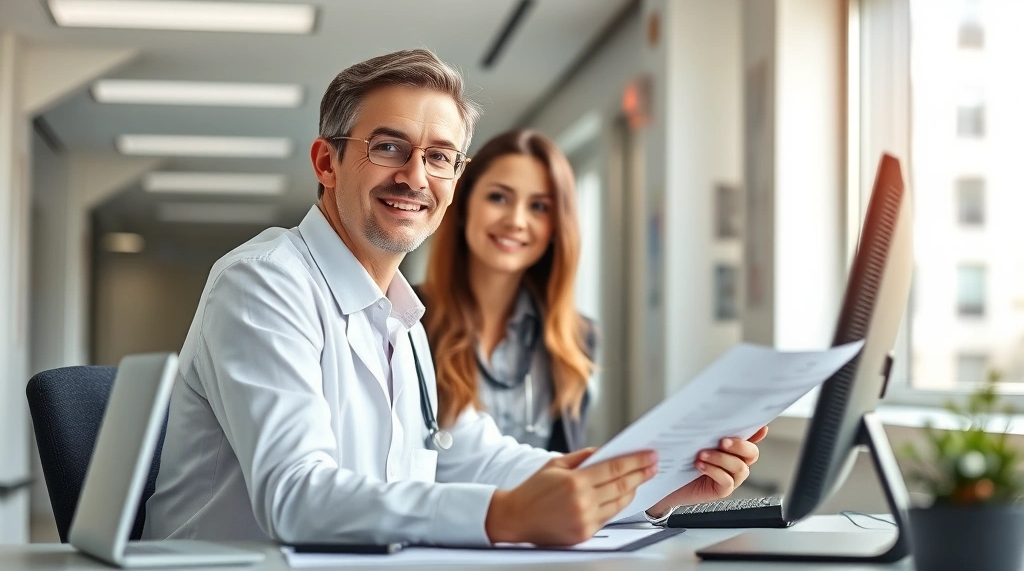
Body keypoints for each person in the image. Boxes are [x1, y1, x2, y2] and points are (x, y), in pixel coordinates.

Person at [142, 48, 766, 547]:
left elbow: (481, 459)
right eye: (388, 147)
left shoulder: (403, 318)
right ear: (326, 163)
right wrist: (505, 518)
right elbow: (296, 495)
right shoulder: (264, 281)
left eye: (439, 157)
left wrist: (655, 485)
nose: (416, 177)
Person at [418, 129, 596, 453]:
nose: (516, 221)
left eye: (539, 207)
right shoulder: (405, 317)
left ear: (557, 226)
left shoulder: (578, 338)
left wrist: (656, 500)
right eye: (498, 198)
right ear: (463, 204)